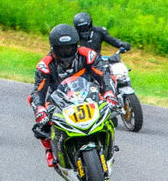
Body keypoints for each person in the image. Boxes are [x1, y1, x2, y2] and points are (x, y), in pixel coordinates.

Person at [29, 24, 118, 167]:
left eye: (69, 47)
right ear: (53, 48)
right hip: (59, 101)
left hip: (89, 95)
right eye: (61, 49)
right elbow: (38, 91)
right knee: (42, 127)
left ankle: (108, 145)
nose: (66, 52)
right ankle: (50, 150)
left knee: (111, 114)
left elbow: (105, 75)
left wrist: (109, 93)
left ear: (76, 46)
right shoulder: (45, 65)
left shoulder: (87, 55)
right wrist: (40, 110)